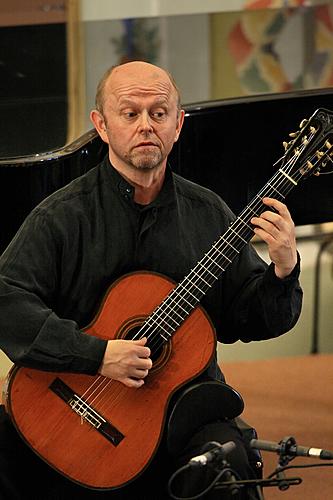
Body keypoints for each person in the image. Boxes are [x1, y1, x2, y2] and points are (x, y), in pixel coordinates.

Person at [0, 61, 302, 500]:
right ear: (101, 126)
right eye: (130, 113)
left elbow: (251, 317)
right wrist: (97, 354)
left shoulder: (209, 214)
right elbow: (7, 302)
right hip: (75, 405)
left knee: (228, 463)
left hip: (181, 410)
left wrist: (283, 270)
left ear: (178, 125)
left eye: (159, 113)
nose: (146, 125)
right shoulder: (61, 217)